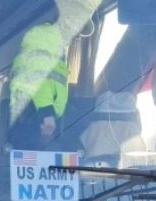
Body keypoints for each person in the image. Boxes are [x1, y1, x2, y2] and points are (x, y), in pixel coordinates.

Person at [8, 0, 102, 149]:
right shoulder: (43, 36)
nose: (78, 35)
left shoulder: (55, 47)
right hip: (33, 120)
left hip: (41, 123)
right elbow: (36, 74)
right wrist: (46, 112)